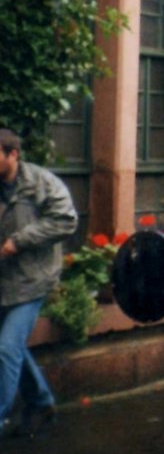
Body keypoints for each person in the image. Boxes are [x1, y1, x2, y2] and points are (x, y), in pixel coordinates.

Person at [0, 128, 77, 438]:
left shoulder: (41, 183)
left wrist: (18, 241)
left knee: (5, 348)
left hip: (33, 280)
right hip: (4, 281)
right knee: (11, 346)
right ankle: (42, 402)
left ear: (12, 154)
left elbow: (65, 220)